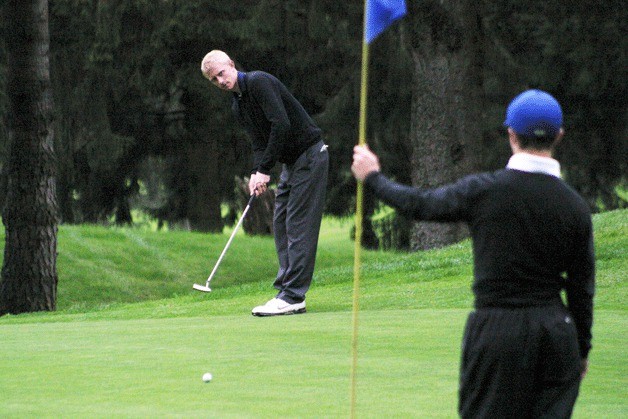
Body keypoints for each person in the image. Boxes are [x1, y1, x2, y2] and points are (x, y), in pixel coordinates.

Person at [351, 89, 595, 418]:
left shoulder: (485, 191)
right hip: (556, 332)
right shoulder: (575, 207)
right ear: (559, 136)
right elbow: (582, 287)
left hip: (497, 333)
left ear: (511, 135)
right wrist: (580, 349)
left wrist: (373, 177)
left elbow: (420, 204)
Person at [201, 50, 329, 317]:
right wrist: (256, 172)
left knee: (297, 224)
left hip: (310, 155)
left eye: (222, 73)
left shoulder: (259, 82)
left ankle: (293, 295)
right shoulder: (238, 105)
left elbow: (280, 124)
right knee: (280, 222)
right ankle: (286, 292)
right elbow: (259, 143)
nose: (221, 81)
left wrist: (265, 169)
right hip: (292, 164)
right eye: (214, 80)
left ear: (232, 65)